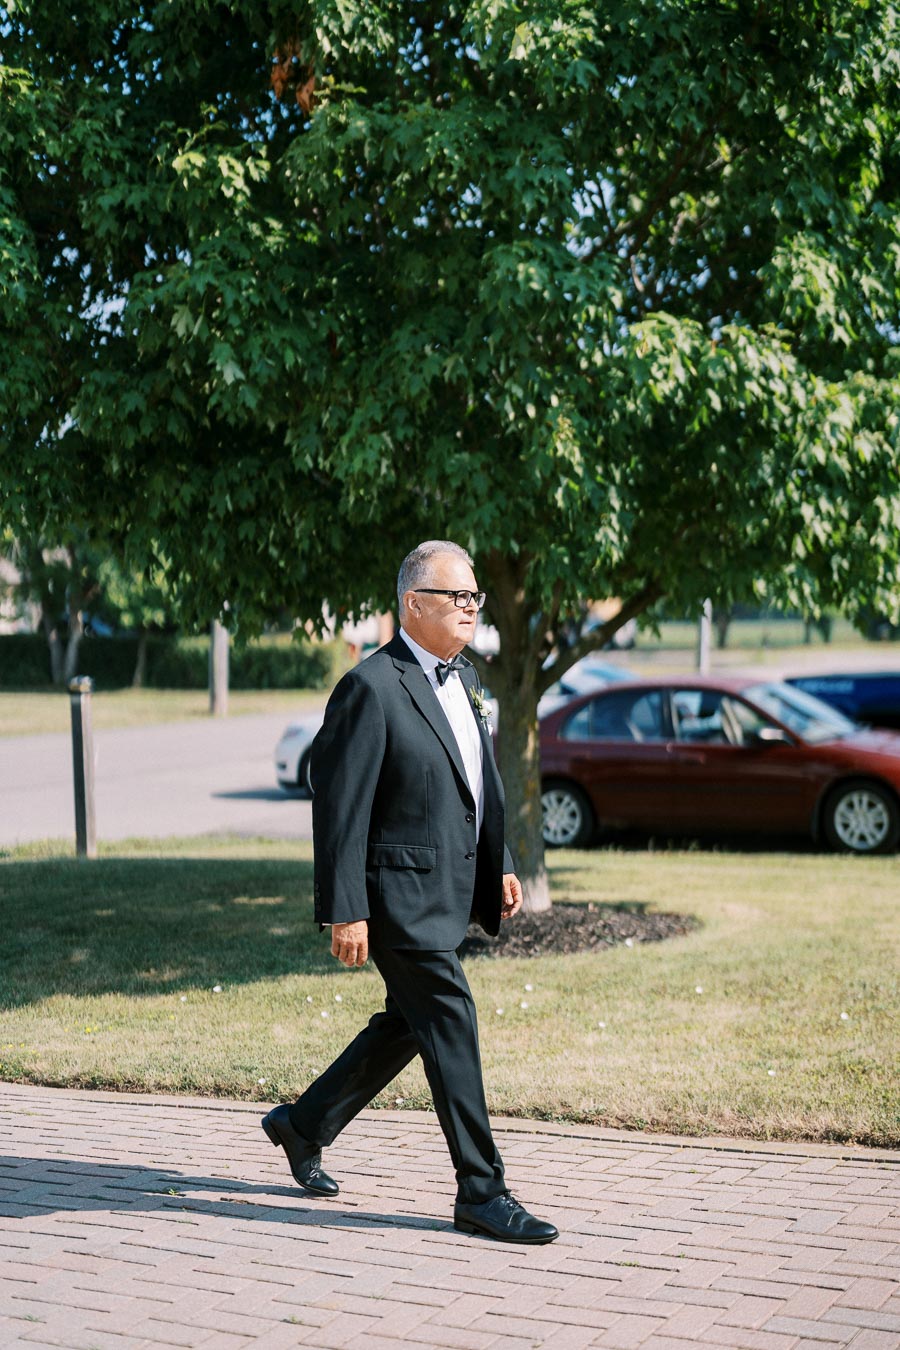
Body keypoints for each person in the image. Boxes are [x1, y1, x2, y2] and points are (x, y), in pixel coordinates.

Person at [262, 540, 558, 1245]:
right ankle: (483, 1191)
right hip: (396, 896)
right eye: (458, 596)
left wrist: (501, 861)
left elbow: (477, 782)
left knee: (409, 1023)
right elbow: (340, 806)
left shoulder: (469, 678)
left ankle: (303, 1125)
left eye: (475, 596)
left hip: (448, 888)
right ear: (413, 604)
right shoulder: (370, 687)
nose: (472, 607)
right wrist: (346, 908)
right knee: (450, 1016)